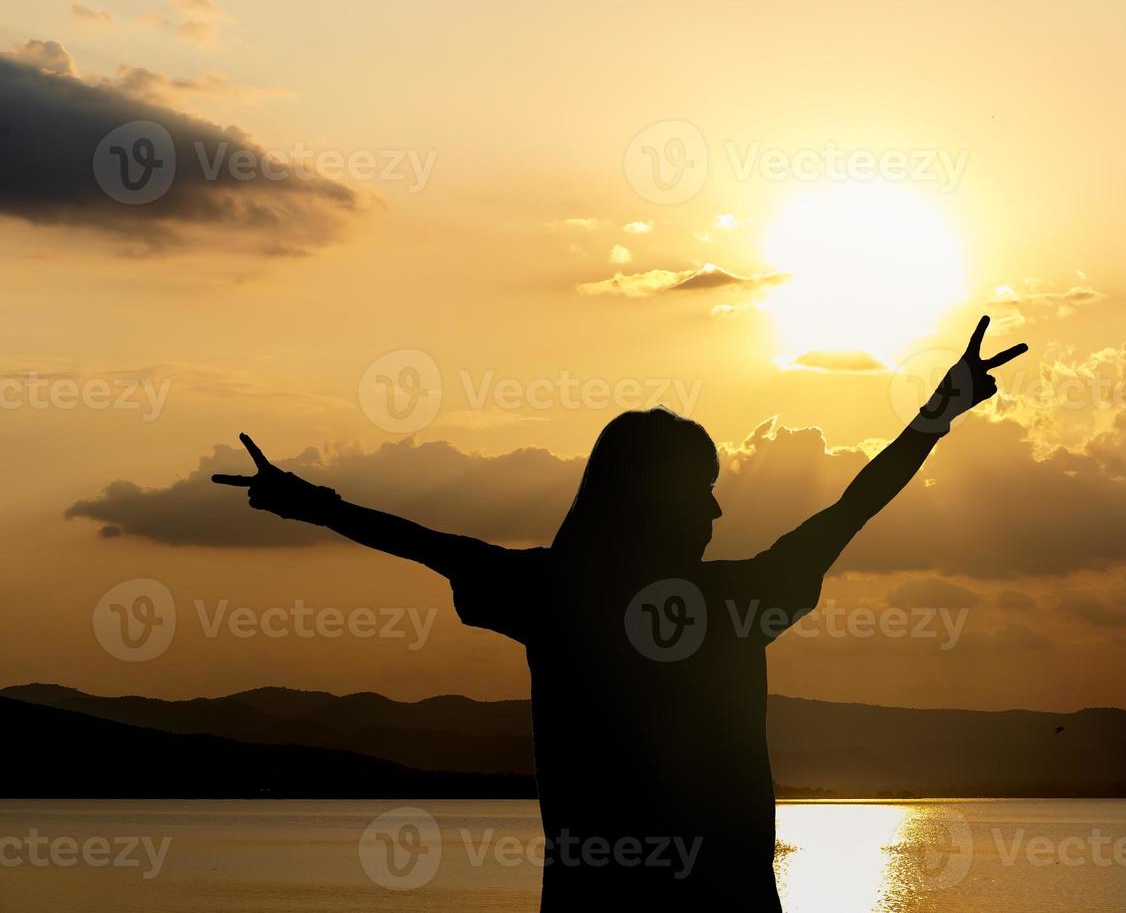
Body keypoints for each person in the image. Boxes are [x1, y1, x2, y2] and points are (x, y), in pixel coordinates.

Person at [213, 313, 1027, 911]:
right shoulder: (736, 600)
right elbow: (852, 508)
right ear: (649, 503)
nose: (715, 513)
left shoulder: (556, 594)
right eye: (702, 491)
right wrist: (934, 416)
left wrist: (307, 504)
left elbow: (426, 543)